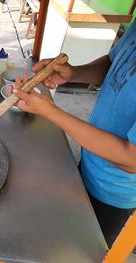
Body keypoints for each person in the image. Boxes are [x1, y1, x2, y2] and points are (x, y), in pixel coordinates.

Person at [12, 19, 136, 248]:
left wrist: (49, 112)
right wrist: (73, 73)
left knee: (83, 251)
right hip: (91, 162)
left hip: (114, 194)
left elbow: (131, 159)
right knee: (63, 239)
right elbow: (113, 65)